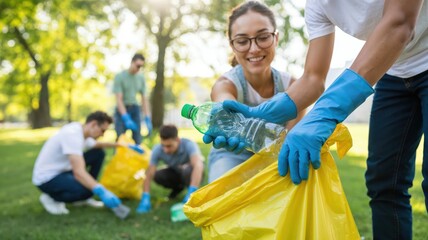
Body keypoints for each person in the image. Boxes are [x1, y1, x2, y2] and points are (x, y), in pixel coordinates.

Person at [208, 1, 427, 239]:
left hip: (406, 54)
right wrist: (273, 110)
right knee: (384, 182)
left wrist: (323, 113)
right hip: (393, 71)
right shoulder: (317, 5)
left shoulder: (283, 78)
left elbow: (399, 24)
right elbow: (313, 77)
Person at [204, 1, 304, 183]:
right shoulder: (227, 84)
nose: (254, 48)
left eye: (263, 37)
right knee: (225, 199)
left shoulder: (291, 85)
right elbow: (222, 101)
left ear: (276, 38)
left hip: (274, 153)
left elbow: (291, 137)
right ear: (233, 46)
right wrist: (223, 112)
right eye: (242, 41)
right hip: (231, 154)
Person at [32, 111, 142, 215]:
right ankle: (52, 198)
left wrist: (123, 145)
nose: (103, 135)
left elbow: (98, 145)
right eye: (102, 130)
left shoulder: (82, 132)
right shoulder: (72, 135)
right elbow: (78, 172)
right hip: (47, 178)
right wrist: (101, 190)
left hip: (62, 171)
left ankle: (86, 193)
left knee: (98, 153)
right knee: (87, 191)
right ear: (93, 124)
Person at [136, 124, 204, 213]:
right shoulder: (157, 149)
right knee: (158, 175)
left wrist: (192, 191)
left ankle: (191, 194)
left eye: (169, 146)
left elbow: (198, 166)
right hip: (176, 172)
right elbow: (149, 173)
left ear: (177, 140)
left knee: (187, 170)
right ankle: (178, 188)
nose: (165, 150)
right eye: (163, 145)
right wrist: (145, 196)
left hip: (192, 173)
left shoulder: (189, 145)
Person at [113, 53, 152, 145]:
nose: (139, 69)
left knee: (137, 140)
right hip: (121, 110)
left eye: (141, 66)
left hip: (135, 109)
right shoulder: (120, 77)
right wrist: (125, 117)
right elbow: (119, 99)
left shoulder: (141, 77)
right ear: (132, 62)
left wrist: (147, 117)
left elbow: (144, 99)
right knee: (120, 139)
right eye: (138, 66)